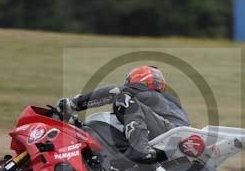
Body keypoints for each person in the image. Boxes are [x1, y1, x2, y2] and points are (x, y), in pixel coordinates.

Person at [57, 65, 190, 164]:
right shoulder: (167, 99)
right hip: (180, 137)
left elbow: (113, 91)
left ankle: (140, 149)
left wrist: (74, 104)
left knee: (123, 98)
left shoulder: (141, 91)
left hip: (169, 133)